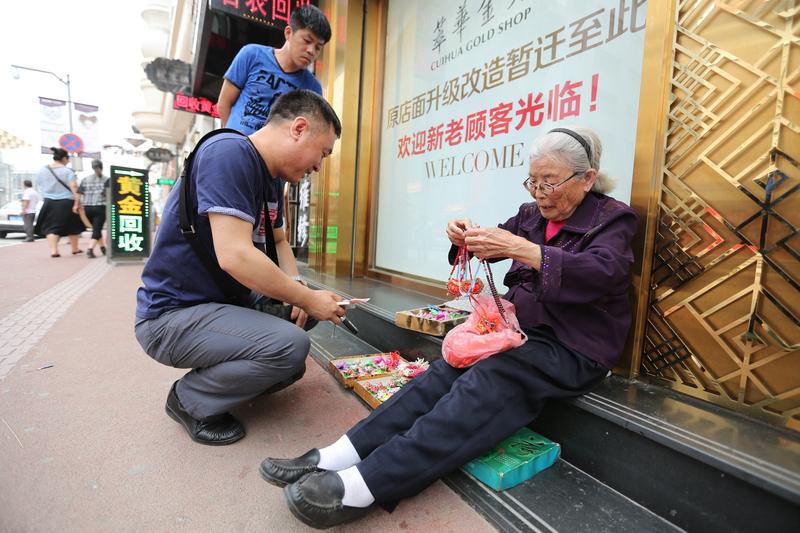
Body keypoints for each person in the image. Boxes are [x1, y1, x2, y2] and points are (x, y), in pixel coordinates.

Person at [260, 127, 640, 529]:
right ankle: (341, 453)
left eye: (550, 182)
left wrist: (523, 250)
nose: (539, 193)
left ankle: (368, 483)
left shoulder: (613, 219)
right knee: (444, 371)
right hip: (519, 332)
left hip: (572, 346)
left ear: (587, 178)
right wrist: (465, 238)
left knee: (492, 377)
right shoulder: (531, 214)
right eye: (533, 181)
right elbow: (493, 243)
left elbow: (601, 272)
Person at [135, 90, 347, 446]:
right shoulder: (229, 155)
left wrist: (298, 290)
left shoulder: (272, 178)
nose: (318, 167)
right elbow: (234, 255)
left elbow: (279, 240)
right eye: (323, 153)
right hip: (170, 317)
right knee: (290, 345)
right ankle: (189, 400)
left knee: (295, 337)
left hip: (219, 303)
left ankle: (228, 374)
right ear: (298, 128)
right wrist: (308, 298)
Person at [218, 4, 331, 135]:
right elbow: (224, 103)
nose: (311, 51)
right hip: (236, 143)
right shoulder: (252, 54)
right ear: (288, 33)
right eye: (307, 40)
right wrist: (231, 139)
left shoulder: (312, 88)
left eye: (318, 47)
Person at [33, 148, 84, 257]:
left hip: (49, 202)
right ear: (64, 158)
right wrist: (77, 203)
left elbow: (39, 185)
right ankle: (75, 249)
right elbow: (74, 188)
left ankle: (54, 250)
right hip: (67, 202)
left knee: (51, 227)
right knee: (73, 226)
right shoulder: (68, 171)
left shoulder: (42, 170)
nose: (68, 161)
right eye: (68, 159)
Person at [78, 159, 109, 258]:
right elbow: (107, 195)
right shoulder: (107, 180)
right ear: (102, 167)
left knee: (96, 228)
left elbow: (79, 193)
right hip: (100, 207)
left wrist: (77, 205)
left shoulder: (85, 179)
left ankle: (103, 248)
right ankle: (90, 249)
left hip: (87, 208)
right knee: (97, 229)